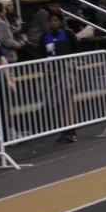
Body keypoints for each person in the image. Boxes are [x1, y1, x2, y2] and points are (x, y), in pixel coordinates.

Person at [37, 11, 80, 141]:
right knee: (58, 102)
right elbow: (41, 53)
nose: (53, 23)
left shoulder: (68, 34)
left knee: (68, 99)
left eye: (56, 20)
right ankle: (64, 129)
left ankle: (71, 129)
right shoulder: (44, 36)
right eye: (51, 20)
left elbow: (76, 50)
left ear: (60, 22)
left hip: (66, 71)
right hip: (51, 73)